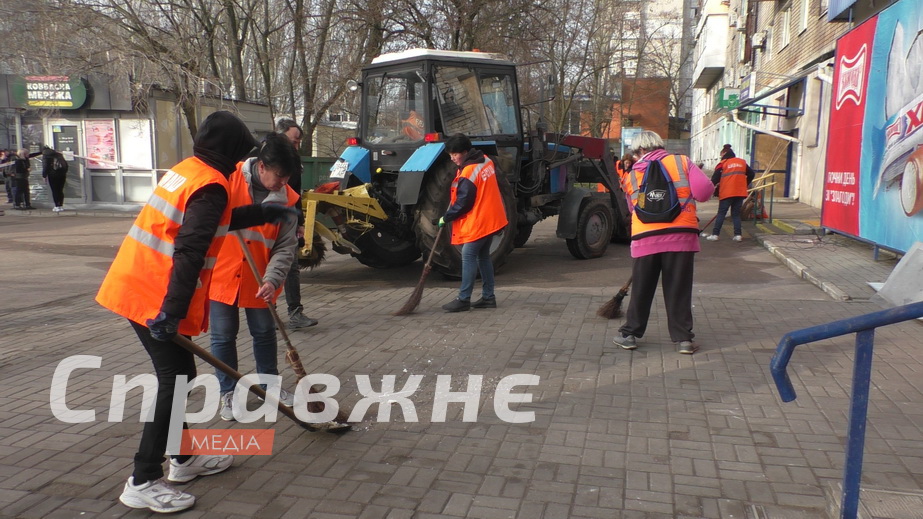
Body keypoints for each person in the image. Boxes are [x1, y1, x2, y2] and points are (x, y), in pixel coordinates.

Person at [96, 111, 297, 513]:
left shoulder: (190, 171)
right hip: (153, 295)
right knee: (173, 382)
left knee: (182, 376)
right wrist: (170, 313)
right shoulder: (211, 186)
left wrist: (262, 213)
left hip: (140, 283)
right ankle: (143, 478)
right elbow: (190, 249)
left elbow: (212, 223)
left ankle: (184, 459)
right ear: (233, 150)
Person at [209, 133, 302, 421]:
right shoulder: (227, 179)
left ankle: (269, 387)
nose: (283, 183)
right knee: (223, 336)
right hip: (222, 273)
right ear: (261, 166)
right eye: (279, 176)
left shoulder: (288, 200)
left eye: (288, 177)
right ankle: (228, 393)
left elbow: (286, 247)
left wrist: (273, 280)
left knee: (264, 332)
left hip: (261, 277)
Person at [611, 130, 714, 355]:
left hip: (645, 238)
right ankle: (683, 340)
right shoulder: (682, 162)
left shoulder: (631, 174)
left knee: (641, 289)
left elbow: (632, 208)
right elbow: (704, 192)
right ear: (659, 145)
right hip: (681, 237)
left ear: (639, 151)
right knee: (678, 289)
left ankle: (630, 334)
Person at [439, 133, 509, 312]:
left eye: (455, 154)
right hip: (492, 218)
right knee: (483, 256)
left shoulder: (469, 171)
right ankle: (488, 297)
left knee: (468, 255)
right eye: (450, 155)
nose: (453, 158)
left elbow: (464, 202)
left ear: (465, 151)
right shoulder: (486, 160)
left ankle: (463, 299)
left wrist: (446, 217)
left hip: (480, 220)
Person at [274, 118, 318, 329]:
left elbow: (296, 196)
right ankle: (268, 314)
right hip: (267, 224)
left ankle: (295, 313)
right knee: (268, 270)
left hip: (288, 223)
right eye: (294, 141)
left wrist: (300, 223)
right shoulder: (264, 159)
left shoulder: (295, 163)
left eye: (299, 142)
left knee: (291, 268)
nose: (296, 146)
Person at [702, 144, 755, 242]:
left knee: (721, 213)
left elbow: (714, 179)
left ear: (724, 153)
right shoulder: (742, 162)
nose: (720, 157)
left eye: (720, 155)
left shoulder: (723, 163)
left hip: (727, 193)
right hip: (740, 192)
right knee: (736, 214)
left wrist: (708, 190)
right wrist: (745, 184)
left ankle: (715, 234)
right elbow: (752, 174)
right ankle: (738, 235)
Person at [41, 145, 69, 212]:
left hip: (52, 175)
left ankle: (57, 206)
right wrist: (64, 172)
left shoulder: (45, 156)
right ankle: (61, 205)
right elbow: (65, 165)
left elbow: (45, 167)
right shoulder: (58, 154)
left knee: (55, 190)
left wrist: (44, 176)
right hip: (62, 174)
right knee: (60, 190)